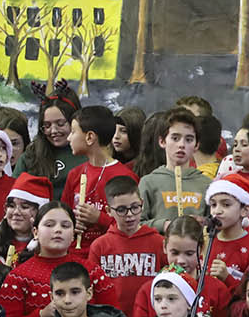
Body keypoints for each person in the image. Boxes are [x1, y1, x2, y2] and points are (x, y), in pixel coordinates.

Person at [0, 203, 118, 317]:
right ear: (35, 232)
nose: (58, 230)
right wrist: (41, 316)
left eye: (65, 226)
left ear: (73, 234)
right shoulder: (18, 277)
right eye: (49, 225)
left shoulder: (93, 272)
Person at [87, 176, 165, 317]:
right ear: (109, 210)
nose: (129, 215)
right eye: (121, 210)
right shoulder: (100, 247)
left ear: (142, 204)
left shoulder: (158, 242)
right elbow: (92, 290)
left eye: (135, 207)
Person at [61, 106, 136, 244]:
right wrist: (69, 224)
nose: (69, 138)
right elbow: (62, 214)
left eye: (73, 132)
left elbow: (131, 226)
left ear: (90, 137)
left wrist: (99, 218)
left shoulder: (124, 176)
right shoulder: (75, 174)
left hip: (111, 252)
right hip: (75, 253)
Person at [138, 108, 209, 229]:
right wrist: (164, 225)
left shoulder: (206, 184)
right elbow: (136, 224)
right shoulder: (149, 182)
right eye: (175, 138)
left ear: (196, 145)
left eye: (189, 139)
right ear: (162, 141)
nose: (181, 145)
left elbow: (216, 226)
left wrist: (204, 222)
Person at [19, 86, 82, 196]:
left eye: (60, 124)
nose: (53, 131)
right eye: (47, 125)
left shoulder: (88, 154)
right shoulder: (31, 155)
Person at [203, 175, 249, 290]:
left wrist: (227, 277)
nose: (217, 211)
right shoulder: (207, 241)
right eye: (213, 205)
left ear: (245, 210)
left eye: (226, 205)